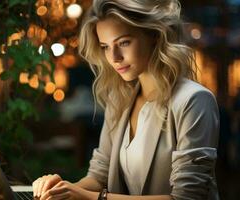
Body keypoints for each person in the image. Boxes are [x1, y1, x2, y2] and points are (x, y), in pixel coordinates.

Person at [32, 0, 220, 199]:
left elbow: (187, 198)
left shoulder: (194, 100)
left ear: (154, 36)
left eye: (123, 42)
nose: (114, 57)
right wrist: (61, 190)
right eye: (105, 46)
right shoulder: (119, 99)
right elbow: (98, 176)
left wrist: (93, 197)